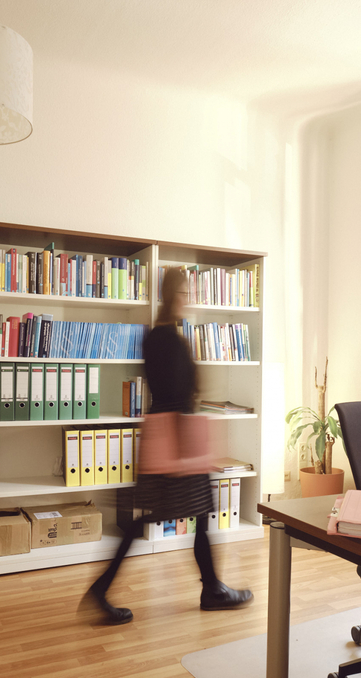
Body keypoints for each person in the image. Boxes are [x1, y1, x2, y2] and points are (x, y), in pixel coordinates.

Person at [81, 268, 253, 625]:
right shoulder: (170, 339)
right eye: (185, 292)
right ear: (175, 295)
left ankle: (209, 588)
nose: (187, 298)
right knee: (181, 516)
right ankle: (209, 589)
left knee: (169, 517)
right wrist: (187, 452)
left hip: (162, 436)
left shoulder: (154, 336)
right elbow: (177, 395)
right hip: (176, 440)